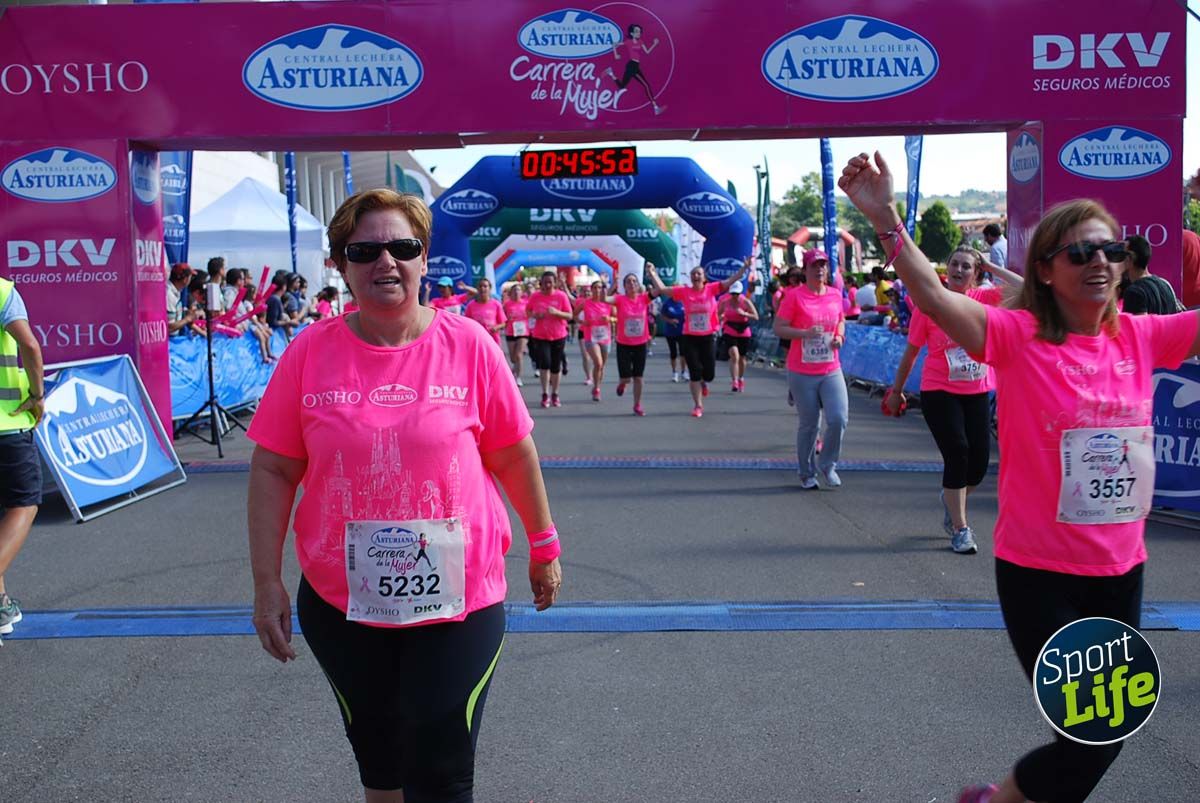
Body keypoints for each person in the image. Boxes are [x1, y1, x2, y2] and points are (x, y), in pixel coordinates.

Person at [840, 151, 1200, 803]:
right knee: (1090, 729)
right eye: (1079, 253)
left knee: (1102, 731)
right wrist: (886, 219)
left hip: (1122, 571)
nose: (1097, 263)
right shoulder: (1016, 334)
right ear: (1045, 269)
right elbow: (930, 294)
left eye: (1109, 251)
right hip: (1039, 572)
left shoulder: (1145, 337)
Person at [246, 188, 562, 803]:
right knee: (381, 761)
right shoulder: (309, 352)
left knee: (440, 764)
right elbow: (274, 472)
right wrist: (267, 582)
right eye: (364, 251)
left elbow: (513, 454)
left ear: (424, 259)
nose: (384, 262)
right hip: (344, 603)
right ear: (341, 265)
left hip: (461, 597)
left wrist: (545, 545)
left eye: (402, 247)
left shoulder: (470, 345)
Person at [887, 245, 1022, 553]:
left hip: (976, 390)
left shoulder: (985, 300)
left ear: (976, 275)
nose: (959, 271)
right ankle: (961, 528)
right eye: (955, 265)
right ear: (946, 270)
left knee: (978, 465)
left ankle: (952, 497)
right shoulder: (929, 305)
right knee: (958, 452)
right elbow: (911, 352)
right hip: (939, 390)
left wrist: (993, 267)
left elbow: (1026, 290)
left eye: (967, 267)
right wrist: (896, 391)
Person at [773, 249, 847, 489]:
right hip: (802, 370)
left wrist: (839, 337)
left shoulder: (835, 295)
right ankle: (807, 472)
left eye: (823, 265)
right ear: (806, 270)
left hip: (830, 368)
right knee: (810, 424)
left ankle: (828, 464)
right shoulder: (794, 296)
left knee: (838, 418)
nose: (820, 269)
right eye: (815, 265)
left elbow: (841, 321)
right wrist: (804, 333)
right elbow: (779, 328)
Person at [645, 259, 750, 417]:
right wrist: (653, 273)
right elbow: (662, 289)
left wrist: (744, 268)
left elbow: (730, 281)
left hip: (708, 336)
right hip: (689, 336)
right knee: (694, 371)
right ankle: (698, 405)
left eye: (699, 273)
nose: (695, 276)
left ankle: (704, 382)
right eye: (693, 274)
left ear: (704, 277)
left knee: (709, 374)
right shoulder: (684, 291)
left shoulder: (712, 289)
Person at [0, 276, 44, 646]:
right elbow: (28, 344)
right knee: (23, 505)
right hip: (6, 422)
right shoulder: (2, 291)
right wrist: (38, 393)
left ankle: (1, 605)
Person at [527, 271, 574, 408]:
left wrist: (557, 313)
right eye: (545, 282)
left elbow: (570, 315)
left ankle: (555, 393)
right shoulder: (535, 296)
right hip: (540, 335)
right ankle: (545, 393)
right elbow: (528, 311)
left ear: (555, 283)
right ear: (541, 283)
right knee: (545, 364)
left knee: (555, 366)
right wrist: (535, 315)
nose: (547, 285)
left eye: (550, 282)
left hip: (558, 335)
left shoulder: (561, 296)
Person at [609, 272, 654, 415]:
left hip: (641, 342)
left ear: (638, 285)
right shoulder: (620, 299)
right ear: (624, 286)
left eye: (634, 281)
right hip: (623, 343)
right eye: (629, 282)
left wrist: (652, 274)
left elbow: (659, 291)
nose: (632, 284)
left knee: (638, 376)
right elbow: (603, 299)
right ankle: (622, 383)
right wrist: (610, 285)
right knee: (626, 377)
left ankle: (637, 405)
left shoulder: (644, 299)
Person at [604, 23, 664, 115]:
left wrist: (654, 44)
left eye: (639, 31)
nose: (638, 33)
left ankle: (611, 73)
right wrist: (616, 54)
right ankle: (656, 108)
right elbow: (614, 44)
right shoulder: (629, 42)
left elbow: (647, 52)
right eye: (636, 31)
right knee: (646, 85)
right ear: (631, 33)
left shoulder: (641, 42)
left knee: (622, 86)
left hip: (635, 65)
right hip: (632, 66)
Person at [1119, 234, 1181, 315]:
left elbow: (1138, 326)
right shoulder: (1165, 284)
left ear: (1130, 257)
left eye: (1122, 254)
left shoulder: (1134, 293)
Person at [717, 280, 759, 392]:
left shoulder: (745, 302)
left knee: (742, 358)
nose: (734, 296)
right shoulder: (725, 302)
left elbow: (756, 316)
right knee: (734, 355)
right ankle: (734, 380)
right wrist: (720, 318)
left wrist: (744, 313)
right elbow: (717, 314)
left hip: (743, 330)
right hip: (730, 329)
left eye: (737, 294)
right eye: (732, 294)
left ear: (740, 293)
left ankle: (741, 378)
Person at [576, 281, 613, 401]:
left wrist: (609, 318)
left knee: (602, 366)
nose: (597, 290)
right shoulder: (585, 303)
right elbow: (574, 315)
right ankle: (596, 389)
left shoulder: (608, 303)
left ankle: (597, 386)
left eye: (600, 288)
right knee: (598, 363)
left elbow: (617, 318)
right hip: (591, 337)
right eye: (595, 288)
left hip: (605, 337)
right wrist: (582, 322)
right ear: (591, 290)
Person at [462, 277, 507, 346]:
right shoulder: (471, 305)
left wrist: (496, 327)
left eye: (485, 286)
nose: (482, 288)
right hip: (477, 340)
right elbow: (467, 323)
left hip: (493, 340)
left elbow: (503, 323)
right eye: (480, 286)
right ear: (477, 289)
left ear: (489, 289)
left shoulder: (496, 304)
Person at [502, 283, 529, 385]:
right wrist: (506, 319)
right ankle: (515, 367)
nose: (517, 292)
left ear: (521, 292)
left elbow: (531, 314)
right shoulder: (507, 304)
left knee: (518, 354)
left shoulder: (526, 303)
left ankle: (518, 377)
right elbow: (502, 317)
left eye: (518, 290)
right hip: (510, 331)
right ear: (511, 293)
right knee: (513, 357)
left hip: (523, 331)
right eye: (514, 291)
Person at [659, 287, 686, 382]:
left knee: (683, 352)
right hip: (670, 332)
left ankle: (684, 372)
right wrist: (670, 320)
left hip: (683, 331)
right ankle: (674, 372)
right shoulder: (667, 303)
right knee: (673, 353)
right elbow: (662, 316)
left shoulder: (684, 301)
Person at [166, 262, 199, 336]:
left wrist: (186, 312)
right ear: (186, 279)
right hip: (169, 342)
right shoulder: (169, 295)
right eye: (191, 277)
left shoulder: (174, 291)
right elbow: (169, 328)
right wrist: (188, 319)